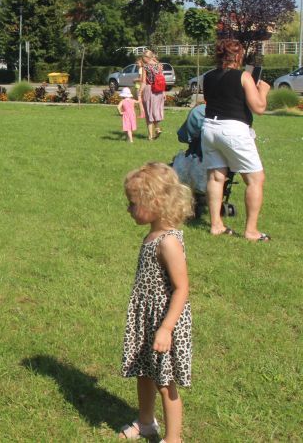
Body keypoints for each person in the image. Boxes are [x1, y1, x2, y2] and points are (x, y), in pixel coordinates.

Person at [120, 162, 193, 443]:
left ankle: (174, 439)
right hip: (148, 318)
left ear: (156, 203)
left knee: (165, 382)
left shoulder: (168, 242)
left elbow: (182, 288)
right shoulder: (152, 234)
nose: (128, 209)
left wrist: (166, 328)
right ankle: (146, 422)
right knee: (144, 372)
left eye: (133, 203)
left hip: (164, 321)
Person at [202, 39, 271, 241]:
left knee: (216, 177)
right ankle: (251, 231)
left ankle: (216, 225)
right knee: (255, 179)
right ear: (238, 56)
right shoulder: (244, 76)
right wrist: (263, 91)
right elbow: (259, 108)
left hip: (209, 127)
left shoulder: (207, 77)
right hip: (233, 129)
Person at [139, 50, 165, 140]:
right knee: (155, 111)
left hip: (149, 90)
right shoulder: (159, 65)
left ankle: (150, 136)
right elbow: (162, 79)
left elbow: (143, 82)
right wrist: (164, 92)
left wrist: (139, 92)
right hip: (159, 91)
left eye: (143, 57)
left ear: (146, 57)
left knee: (148, 113)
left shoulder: (145, 67)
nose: (142, 59)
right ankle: (157, 128)